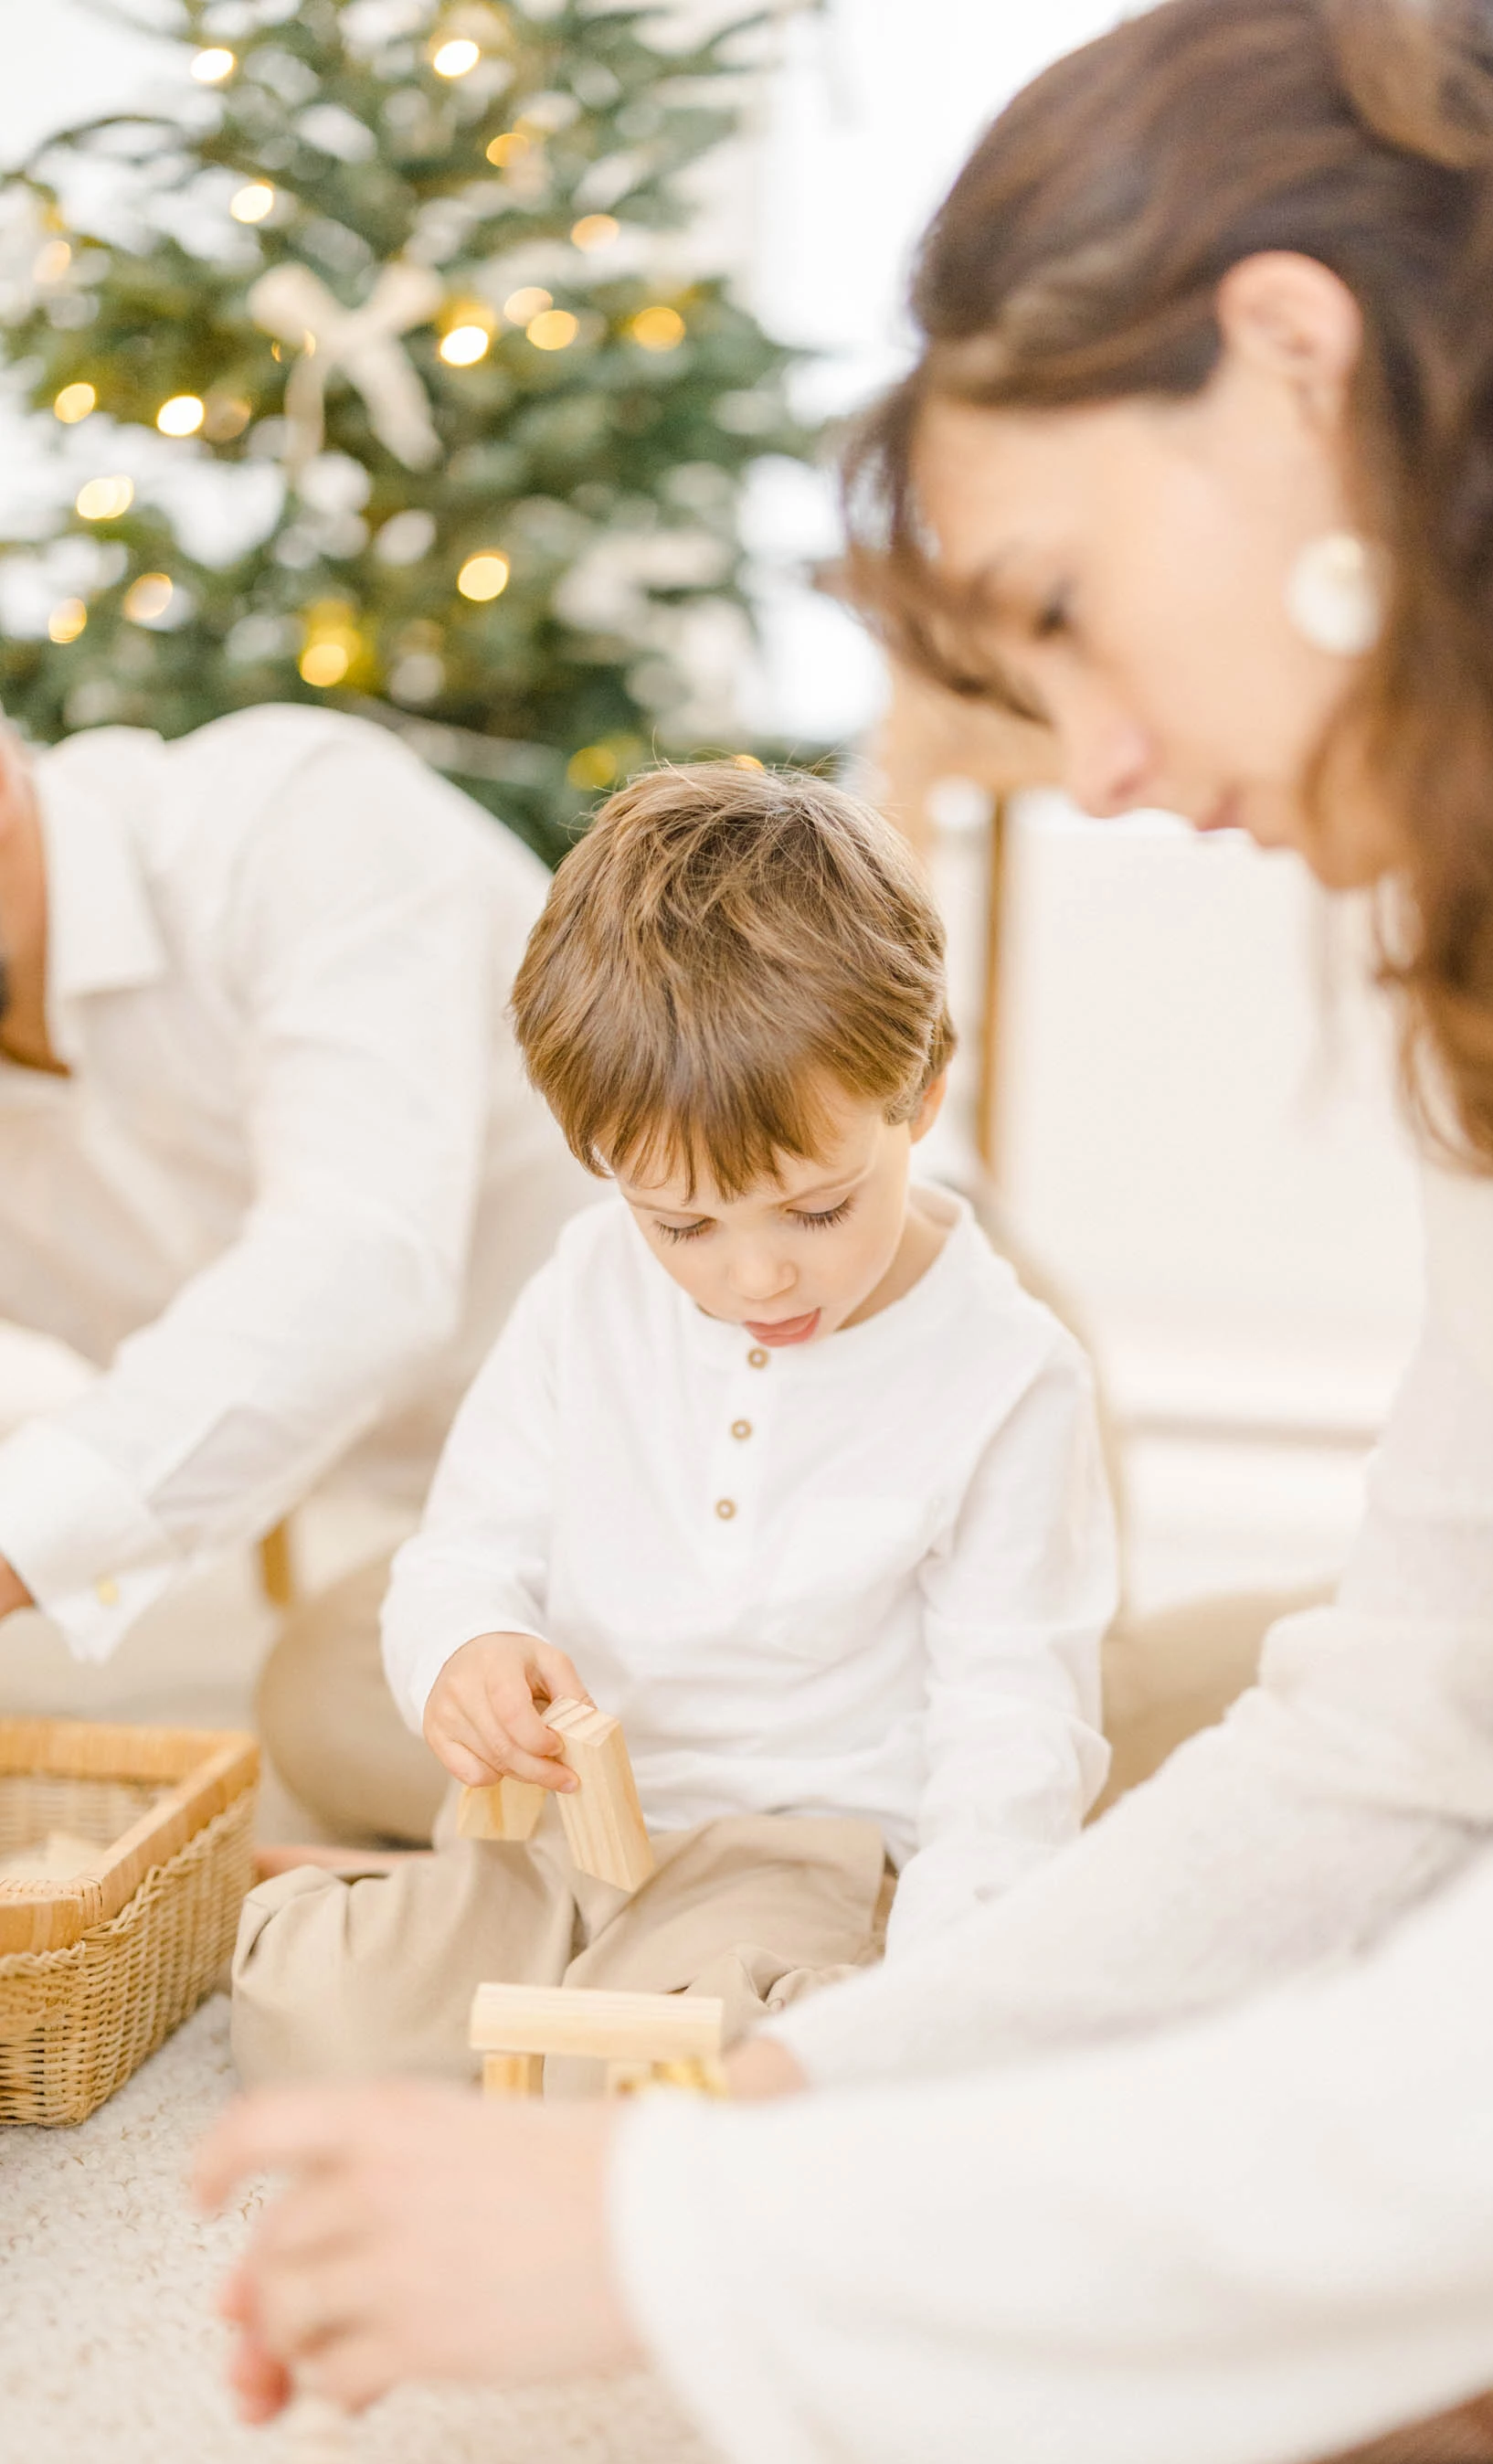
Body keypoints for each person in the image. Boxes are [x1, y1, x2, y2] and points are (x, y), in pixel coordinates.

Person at [198, 2, 1493, 2464]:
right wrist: (785, 2109)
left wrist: (693, 2249)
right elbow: (1406, 1722)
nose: (1096, 761)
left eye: (1058, 605)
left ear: (1294, 363)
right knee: (1224, 2407)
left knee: (1248, 2350)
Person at [228, 763, 1115, 2085]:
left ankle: (799, 1994)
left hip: (793, 1848)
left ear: (921, 1093)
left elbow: (1008, 1729)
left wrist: (943, 1992)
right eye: (681, 1224)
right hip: (559, 1832)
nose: (754, 1278)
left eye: (816, 1210)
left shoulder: (1009, 1375)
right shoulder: (590, 1284)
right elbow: (466, 1548)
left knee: (658, 2072)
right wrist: (471, 1645)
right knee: (312, 2014)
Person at [0, 704, 594, 1825]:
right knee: (358, 1695)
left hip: (838, 1342)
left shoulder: (296, 822)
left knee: (336, 1696)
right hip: (539, 1508)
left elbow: (361, 1270)